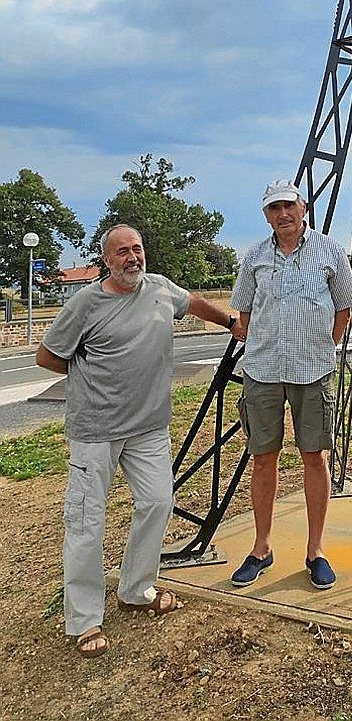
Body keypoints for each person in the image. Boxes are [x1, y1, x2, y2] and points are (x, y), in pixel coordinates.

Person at [35, 224, 246, 659]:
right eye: (122, 252)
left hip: (149, 426)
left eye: (137, 249)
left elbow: (194, 302)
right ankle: (85, 619)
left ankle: (135, 588)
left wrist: (230, 321)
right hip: (95, 430)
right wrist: (92, 383)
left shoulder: (160, 289)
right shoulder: (86, 303)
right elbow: (47, 355)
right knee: (86, 521)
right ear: (106, 260)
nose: (132, 257)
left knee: (157, 502)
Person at [229, 179, 352, 591]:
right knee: (263, 457)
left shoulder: (329, 251)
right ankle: (261, 547)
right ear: (265, 215)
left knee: (313, 456)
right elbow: (244, 314)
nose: (282, 214)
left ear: (303, 207)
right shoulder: (254, 257)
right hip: (263, 370)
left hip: (313, 369)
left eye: (289, 205)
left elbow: (345, 307)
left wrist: (324, 345)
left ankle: (315, 549)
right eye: (273, 209)